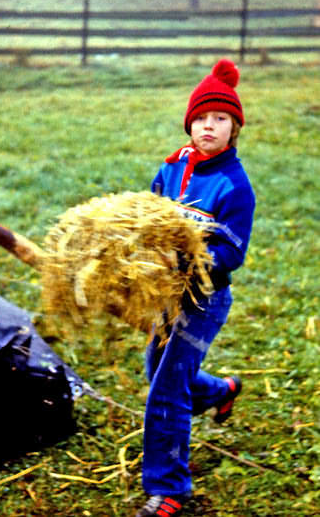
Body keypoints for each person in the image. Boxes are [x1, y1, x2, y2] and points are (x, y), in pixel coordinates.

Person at [135, 59, 256, 517]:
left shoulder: (234, 186)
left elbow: (233, 254)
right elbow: (151, 208)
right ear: (190, 123)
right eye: (202, 118)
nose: (209, 126)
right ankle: (220, 391)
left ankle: (169, 489)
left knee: (165, 389)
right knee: (157, 369)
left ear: (234, 127)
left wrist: (191, 262)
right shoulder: (174, 166)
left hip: (204, 300)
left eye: (220, 119)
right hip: (166, 292)